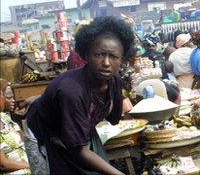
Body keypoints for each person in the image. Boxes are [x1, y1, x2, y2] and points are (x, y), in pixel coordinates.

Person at [25, 16, 135, 174]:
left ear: (122, 59)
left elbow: (114, 119)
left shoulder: (114, 80)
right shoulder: (73, 91)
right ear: (86, 55)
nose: (106, 62)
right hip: (44, 132)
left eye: (113, 57)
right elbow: (78, 151)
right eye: (99, 55)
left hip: (77, 130)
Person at [0, 79, 30, 175]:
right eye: (7, 97)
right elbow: (3, 164)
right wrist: (31, 165)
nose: (13, 100)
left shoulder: (5, 118)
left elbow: (25, 141)